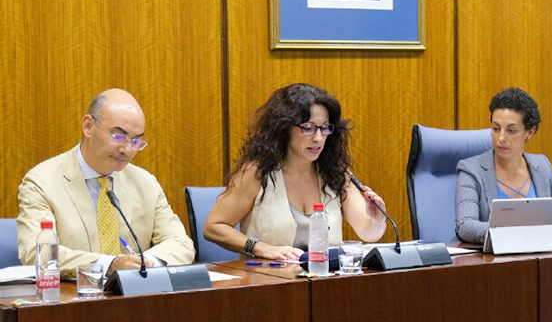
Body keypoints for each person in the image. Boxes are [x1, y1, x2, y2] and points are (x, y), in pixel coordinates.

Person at [17, 89, 194, 278]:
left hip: (135, 298)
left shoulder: (145, 183)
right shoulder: (42, 182)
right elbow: (36, 253)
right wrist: (109, 265)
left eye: (136, 141)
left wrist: (145, 264)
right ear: (88, 126)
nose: (127, 150)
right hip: (73, 298)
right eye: (119, 136)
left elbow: (181, 243)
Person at [204, 83, 386, 260]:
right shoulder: (256, 173)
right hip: (269, 280)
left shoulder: (335, 173)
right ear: (284, 128)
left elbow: (368, 233)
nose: (318, 138)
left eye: (324, 128)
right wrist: (260, 247)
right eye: (308, 128)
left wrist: (376, 219)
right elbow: (214, 227)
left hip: (325, 279)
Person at [454, 87, 552, 244]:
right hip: (492, 261)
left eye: (511, 130)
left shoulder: (541, 166)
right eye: (496, 129)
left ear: (530, 132)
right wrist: (514, 234)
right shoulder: (471, 170)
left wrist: (550, 231)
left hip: (539, 256)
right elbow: (465, 225)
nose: (501, 137)